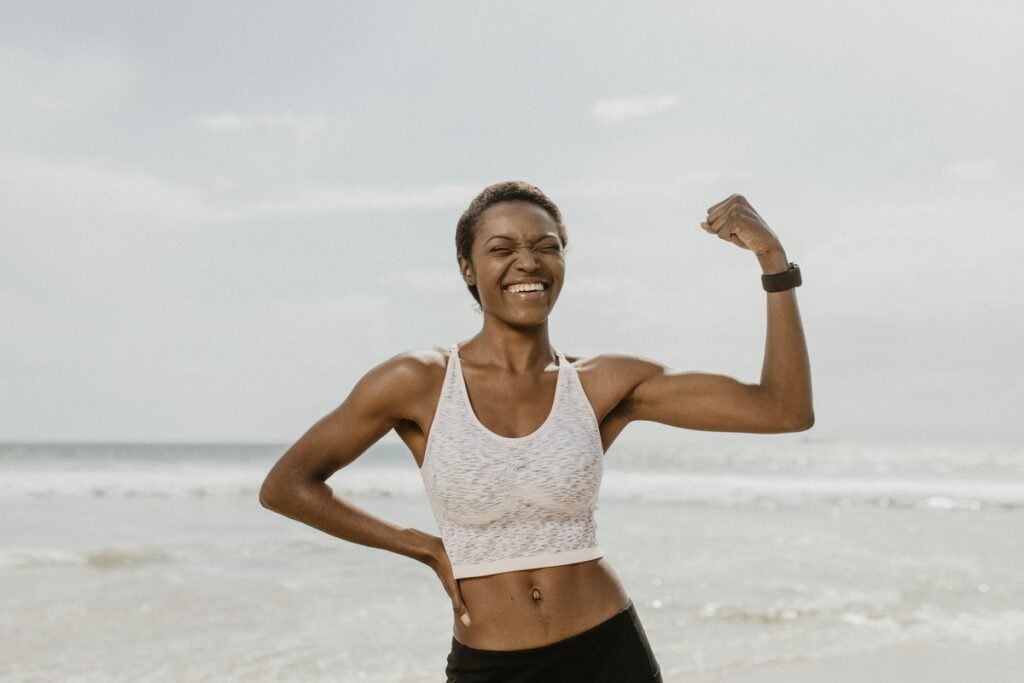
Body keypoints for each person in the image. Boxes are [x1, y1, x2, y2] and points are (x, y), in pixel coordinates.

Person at [259, 180, 813, 682]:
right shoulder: (418, 381)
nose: (528, 262)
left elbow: (784, 410)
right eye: (502, 249)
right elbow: (288, 485)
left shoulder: (602, 382)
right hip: (493, 666)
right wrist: (427, 549)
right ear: (468, 269)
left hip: (609, 654)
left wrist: (773, 261)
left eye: (546, 247)